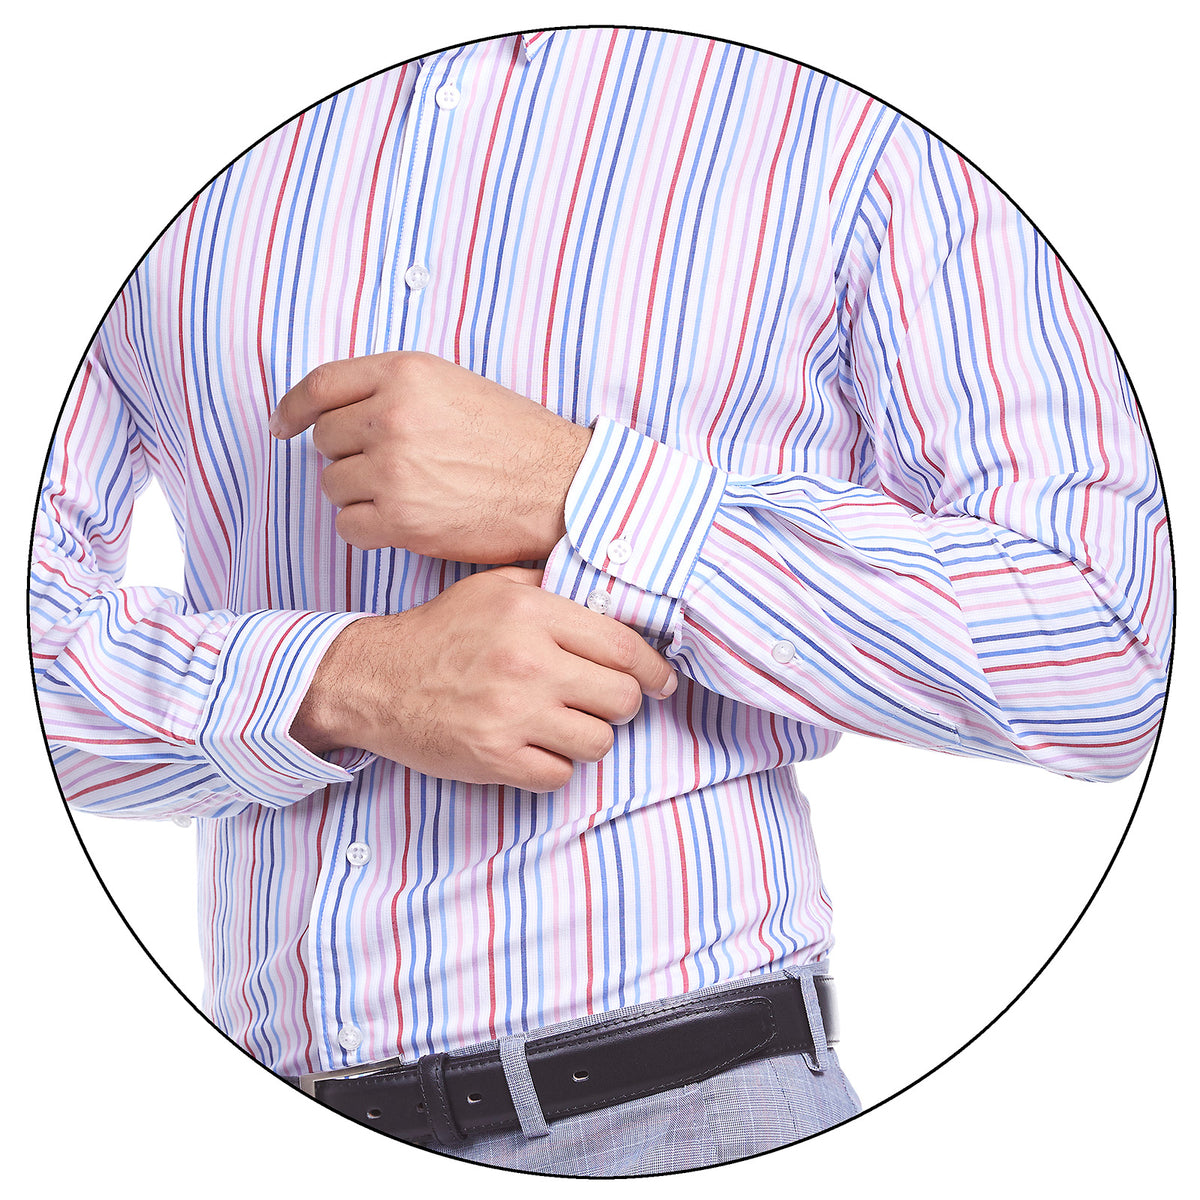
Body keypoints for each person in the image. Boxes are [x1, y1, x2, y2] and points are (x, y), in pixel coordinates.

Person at [30, 28, 1171, 1176]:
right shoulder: (164, 136)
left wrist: (582, 491)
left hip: (683, 1120)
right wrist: (347, 682)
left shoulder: (846, 124)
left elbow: (1102, 644)